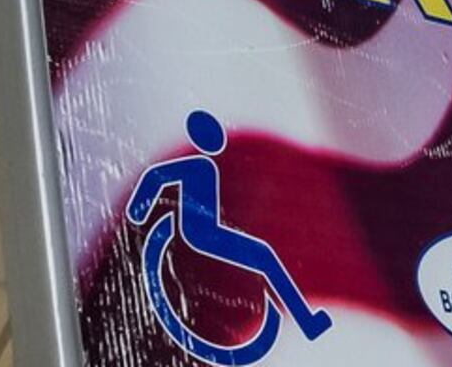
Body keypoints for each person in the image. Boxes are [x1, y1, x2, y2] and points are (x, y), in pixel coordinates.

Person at [129, 112, 333, 366]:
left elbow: (156, 178)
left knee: (263, 255)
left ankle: (307, 321)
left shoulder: (211, 165)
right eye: (210, 133)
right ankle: (308, 322)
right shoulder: (197, 165)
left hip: (210, 231)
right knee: (264, 256)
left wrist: (139, 210)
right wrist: (138, 211)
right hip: (201, 235)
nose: (216, 137)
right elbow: (155, 177)